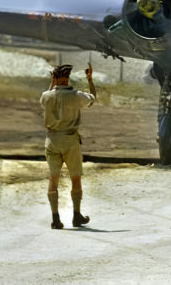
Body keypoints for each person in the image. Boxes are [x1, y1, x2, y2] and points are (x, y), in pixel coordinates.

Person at [40, 62, 96, 229]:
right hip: (70, 141)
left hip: (52, 141)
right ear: (67, 78)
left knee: (53, 179)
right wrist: (90, 79)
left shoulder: (46, 96)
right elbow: (92, 99)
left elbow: (48, 95)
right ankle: (76, 215)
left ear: (55, 78)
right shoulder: (76, 96)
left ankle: (55, 219)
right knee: (75, 179)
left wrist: (52, 82)